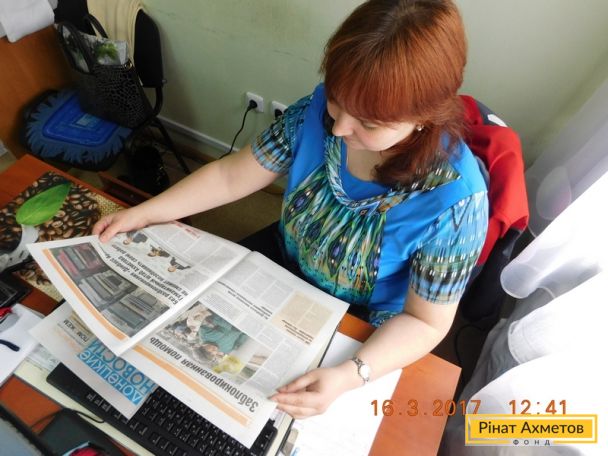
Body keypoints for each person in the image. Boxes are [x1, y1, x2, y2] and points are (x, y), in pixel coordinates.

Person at [93, 0, 488, 418]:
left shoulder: (456, 202)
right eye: (337, 99)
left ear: (424, 117)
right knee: (174, 358)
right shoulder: (316, 114)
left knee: (274, 413)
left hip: (362, 318)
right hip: (283, 260)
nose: (339, 128)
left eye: (369, 124)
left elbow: (426, 321)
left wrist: (350, 374)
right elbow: (231, 176)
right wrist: (146, 212)